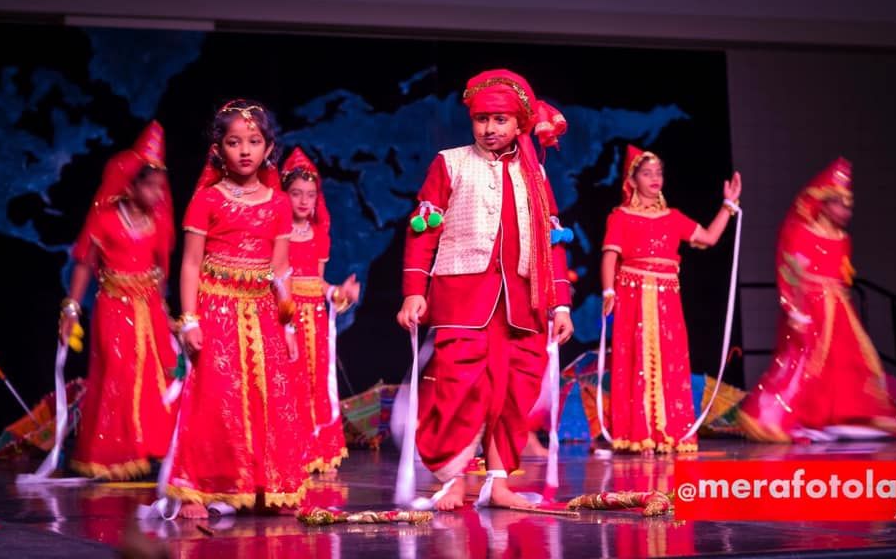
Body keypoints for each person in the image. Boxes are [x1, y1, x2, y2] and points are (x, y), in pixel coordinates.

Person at [396, 69, 574, 510]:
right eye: (481, 120)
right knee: (456, 389)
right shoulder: (449, 163)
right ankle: (453, 479)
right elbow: (422, 230)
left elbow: (553, 242)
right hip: (463, 298)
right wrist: (414, 290)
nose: (489, 129)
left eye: (499, 120)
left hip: (523, 303)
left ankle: (497, 481)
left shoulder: (536, 176)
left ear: (519, 124)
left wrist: (562, 305)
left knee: (514, 392)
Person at [166, 99, 309, 518]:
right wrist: (189, 319)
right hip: (217, 308)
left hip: (263, 310)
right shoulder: (207, 200)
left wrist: (288, 325)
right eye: (234, 142)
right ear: (219, 149)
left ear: (268, 148)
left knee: (271, 396)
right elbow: (190, 263)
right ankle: (200, 488)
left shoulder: (279, 203)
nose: (245, 150)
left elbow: (280, 271)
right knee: (216, 395)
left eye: (254, 141)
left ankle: (268, 486)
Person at [737, 157, 896, 442]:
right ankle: (779, 417)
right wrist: (793, 309)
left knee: (848, 361)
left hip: (838, 309)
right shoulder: (800, 231)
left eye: (848, 206)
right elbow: (788, 270)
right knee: (802, 363)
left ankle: (839, 417)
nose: (844, 212)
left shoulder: (843, 238)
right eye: (838, 204)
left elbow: (841, 276)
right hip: (808, 307)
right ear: (823, 201)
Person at [600, 144, 741, 454]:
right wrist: (609, 291)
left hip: (666, 299)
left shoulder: (672, 217)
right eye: (647, 173)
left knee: (670, 359)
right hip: (633, 295)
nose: (655, 178)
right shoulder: (621, 217)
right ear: (632, 180)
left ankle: (670, 432)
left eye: (658, 173)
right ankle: (638, 434)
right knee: (635, 359)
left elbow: (708, 238)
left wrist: (728, 206)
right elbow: (610, 256)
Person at [61, 120, 177, 480]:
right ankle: (116, 452)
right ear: (129, 186)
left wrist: (166, 313)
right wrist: (71, 308)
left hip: (150, 310)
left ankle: (152, 449)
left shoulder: (157, 222)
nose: (159, 193)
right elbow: (83, 265)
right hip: (114, 309)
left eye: (161, 186)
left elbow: (160, 272)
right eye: (151, 185)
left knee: (159, 372)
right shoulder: (106, 219)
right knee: (119, 371)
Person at [280, 147, 360, 473]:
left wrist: (339, 292)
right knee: (289, 380)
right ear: (283, 194)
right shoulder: (278, 235)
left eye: (309, 195)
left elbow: (319, 280)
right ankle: (289, 450)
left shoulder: (319, 235)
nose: (302, 201)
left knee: (315, 381)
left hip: (314, 317)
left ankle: (314, 449)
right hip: (286, 315)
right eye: (296, 193)